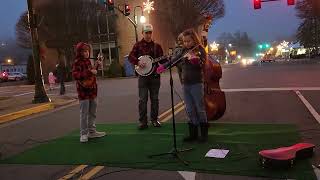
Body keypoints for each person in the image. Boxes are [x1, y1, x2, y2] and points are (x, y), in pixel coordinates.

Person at [157, 29, 209, 143]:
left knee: (200, 109)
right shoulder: (184, 50)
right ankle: (193, 134)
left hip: (196, 83)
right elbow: (175, 60)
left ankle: (204, 134)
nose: (186, 44)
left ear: (194, 40)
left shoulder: (199, 50)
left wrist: (195, 61)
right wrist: (164, 67)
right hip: (186, 84)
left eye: (188, 41)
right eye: (184, 41)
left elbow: (202, 64)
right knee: (190, 109)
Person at [128, 24, 166, 130]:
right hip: (143, 77)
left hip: (155, 76)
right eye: (146, 33)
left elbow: (163, 61)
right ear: (142, 33)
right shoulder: (138, 45)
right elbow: (130, 56)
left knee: (155, 99)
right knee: (142, 100)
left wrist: (164, 66)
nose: (148, 35)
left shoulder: (157, 46)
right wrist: (138, 62)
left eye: (150, 33)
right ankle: (142, 122)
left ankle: (154, 120)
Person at [72, 42, 106, 143]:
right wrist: (90, 72)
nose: (86, 53)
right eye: (84, 51)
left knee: (92, 112)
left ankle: (92, 131)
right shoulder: (77, 62)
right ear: (79, 52)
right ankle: (83, 134)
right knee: (84, 113)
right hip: (83, 92)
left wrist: (97, 66)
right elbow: (75, 75)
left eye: (87, 51)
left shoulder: (88, 62)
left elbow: (92, 73)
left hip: (92, 90)